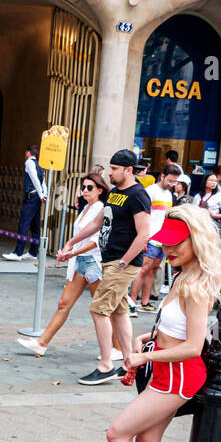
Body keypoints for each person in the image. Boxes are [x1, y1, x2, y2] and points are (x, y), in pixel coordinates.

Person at [79, 206, 221, 442]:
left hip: (177, 377)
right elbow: (175, 331)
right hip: (166, 372)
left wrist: (142, 359)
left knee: (117, 434)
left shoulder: (196, 286)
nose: (169, 249)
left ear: (197, 241)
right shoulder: (181, 276)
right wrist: (150, 339)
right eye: (167, 243)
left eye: (177, 243)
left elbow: (193, 346)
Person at [58, 149, 152, 385]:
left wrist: (123, 261)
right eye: (110, 168)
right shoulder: (115, 194)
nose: (110, 173)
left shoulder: (138, 195)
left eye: (114, 169)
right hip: (110, 260)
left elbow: (144, 234)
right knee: (119, 311)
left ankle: (106, 364)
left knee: (99, 309)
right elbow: (98, 223)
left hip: (122, 263)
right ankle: (129, 362)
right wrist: (71, 242)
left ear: (128, 170)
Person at [17, 172, 108, 358]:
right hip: (79, 262)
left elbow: (95, 241)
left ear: (100, 190)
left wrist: (70, 252)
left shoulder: (101, 209)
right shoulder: (86, 208)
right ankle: (41, 343)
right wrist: (69, 249)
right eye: (83, 187)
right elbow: (80, 237)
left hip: (92, 263)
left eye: (90, 187)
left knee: (101, 309)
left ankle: (116, 348)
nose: (85, 190)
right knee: (64, 304)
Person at [130, 169, 172, 312]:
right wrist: (143, 237)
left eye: (174, 181)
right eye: (170, 180)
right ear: (162, 176)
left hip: (162, 237)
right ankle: (131, 302)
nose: (172, 184)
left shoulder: (169, 194)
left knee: (153, 270)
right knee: (143, 269)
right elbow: (143, 214)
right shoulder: (150, 191)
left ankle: (145, 302)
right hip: (151, 235)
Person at [3, 146, 47, 260]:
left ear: (28, 152)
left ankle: (18, 253)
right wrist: (44, 194)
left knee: (24, 223)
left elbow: (35, 179)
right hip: (38, 196)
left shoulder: (29, 162)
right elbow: (43, 181)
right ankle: (33, 252)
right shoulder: (40, 164)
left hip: (32, 195)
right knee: (35, 224)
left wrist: (41, 194)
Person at [195, 170, 221, 240]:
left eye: (215, 181)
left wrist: (212, 215)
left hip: (211, 226)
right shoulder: (198, 196)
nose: (214, 183)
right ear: (205, 181)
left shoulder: (219, 195)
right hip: (197, 225)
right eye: (211, 180)